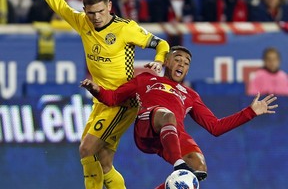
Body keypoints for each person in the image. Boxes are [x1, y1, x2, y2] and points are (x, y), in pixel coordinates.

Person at [27, 0, 170, 188]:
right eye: (91, 13)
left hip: (122, 100)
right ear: (85, 11)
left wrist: (159, 61)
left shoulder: (125, 28)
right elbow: (59, 4)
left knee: (87, 149)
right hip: (101, 100)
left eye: (101, 11)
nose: (96, 17)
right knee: (103, 162)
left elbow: (162, 44)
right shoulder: (83, 22)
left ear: (110, 6)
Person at [80, 46, 278, 189]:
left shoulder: (190, 95)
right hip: (148, 128)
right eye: (177, 59)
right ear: (166, 61)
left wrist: (250, 112)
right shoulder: (146, 79)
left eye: (186, 63)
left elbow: (215, 127)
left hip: (170, 135)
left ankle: (174, 178)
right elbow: (113, 97)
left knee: (198, 168)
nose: (181, 64)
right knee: (167, 116)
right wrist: (96, 90)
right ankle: (178, 165)